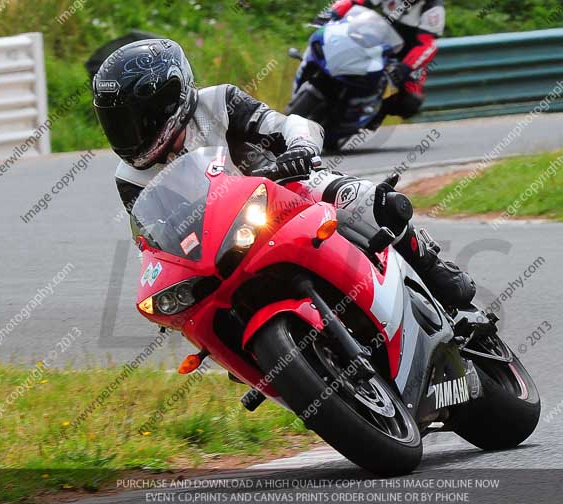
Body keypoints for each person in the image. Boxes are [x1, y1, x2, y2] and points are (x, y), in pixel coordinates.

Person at [92, 39, 475, 311]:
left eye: (136, 119)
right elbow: (156, 243)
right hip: (223, 246)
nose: (129, 133)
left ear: (169, 98)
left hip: (288, 191)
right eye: (117, 123)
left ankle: (430, 266)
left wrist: (300, 149)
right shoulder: (130, 178)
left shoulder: (218, 102)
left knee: (369, 202)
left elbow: (289, 124)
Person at [315, 0, 446, 126]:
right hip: (377, 38)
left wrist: (405, 67)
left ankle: (375, 114)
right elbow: (354, 1)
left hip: (407, 56)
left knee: (411, 101)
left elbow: (427, 45)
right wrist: (330, 14)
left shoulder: (434, 9)